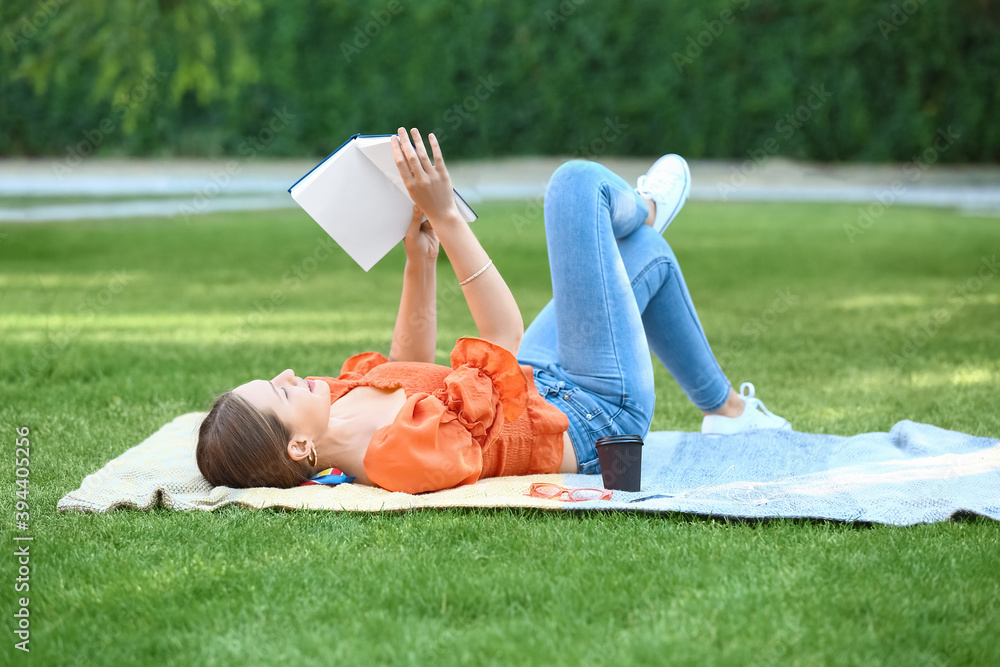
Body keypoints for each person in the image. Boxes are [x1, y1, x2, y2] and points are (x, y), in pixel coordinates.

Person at [196, 127, 790, 493]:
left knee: (646, 257)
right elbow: (501, 335)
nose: (287, 376)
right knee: (574, 187)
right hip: (598, 416)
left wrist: (420, 257)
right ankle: (645, 208)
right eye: (277, 393)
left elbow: (406, 366)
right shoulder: (399, 460)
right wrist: (449, 217)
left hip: (542, 380)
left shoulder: (333, 403)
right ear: (300, 450)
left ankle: (729, 411)